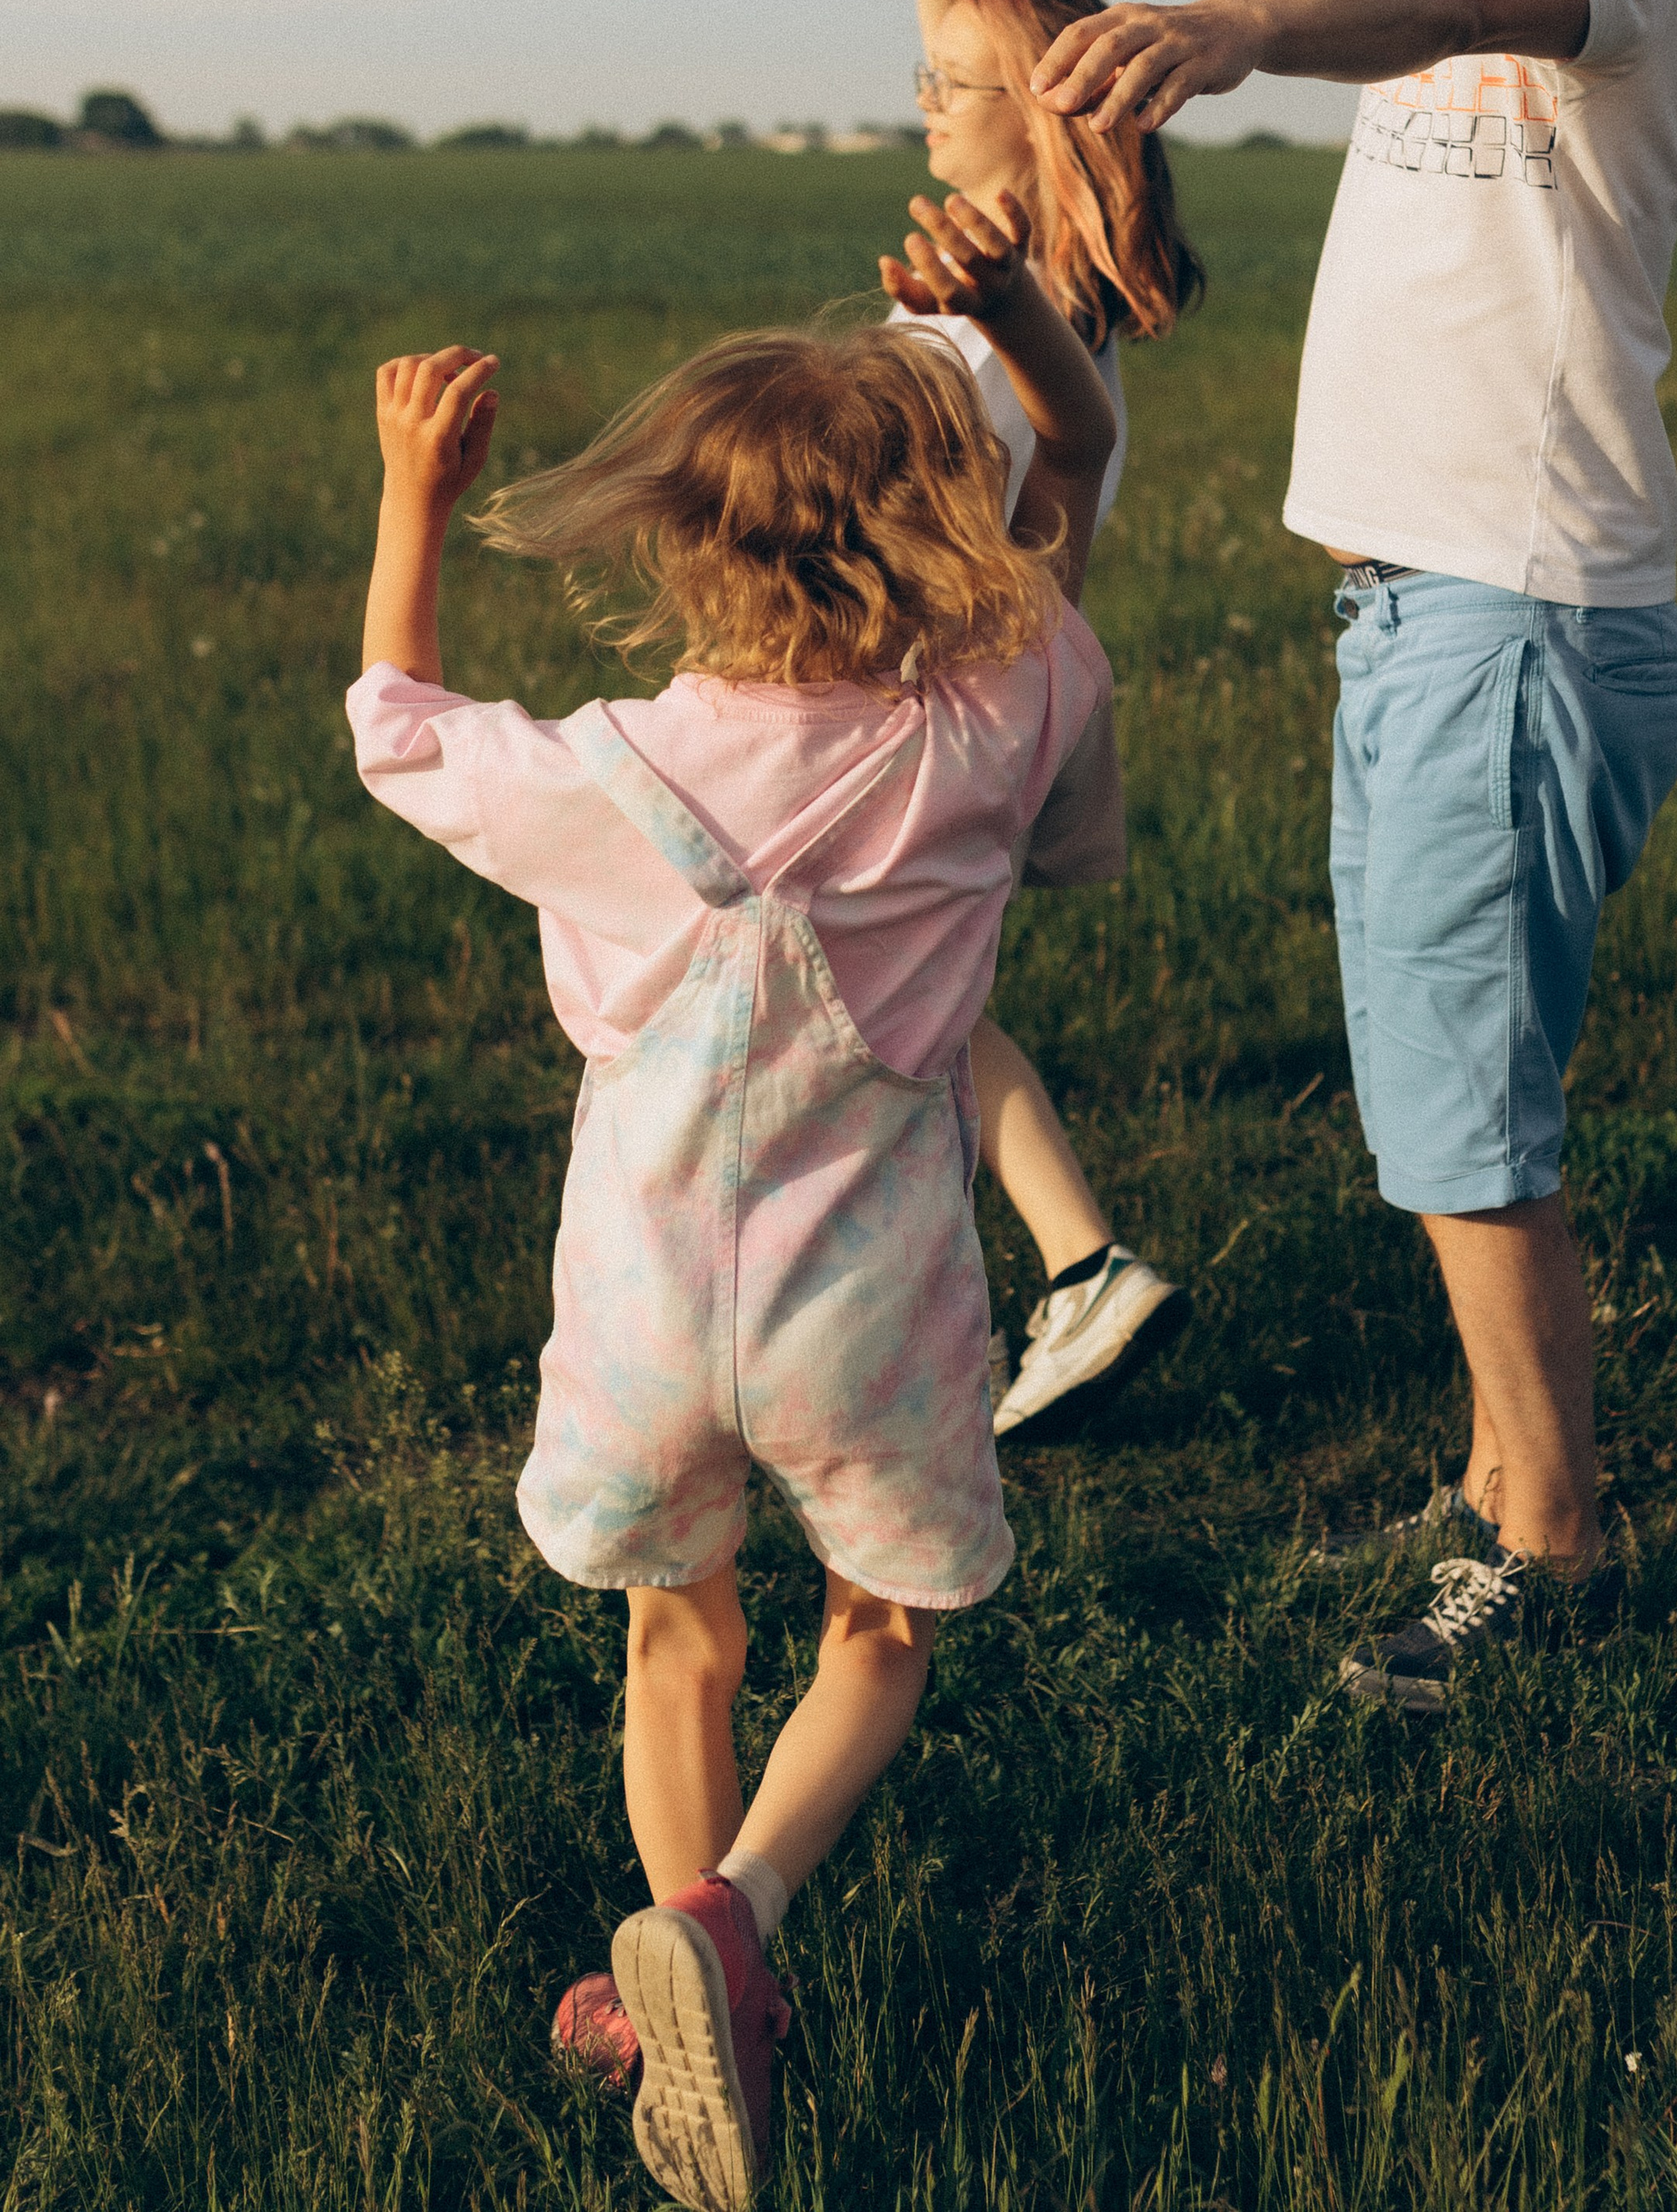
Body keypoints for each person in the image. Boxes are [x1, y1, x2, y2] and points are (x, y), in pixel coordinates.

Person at [947, 0, 1677, 1710]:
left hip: (1516, 609)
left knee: (1463, 1114)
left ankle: (1548, 1554)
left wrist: (1237, 30)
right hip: (1420, 612)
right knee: (1435, 1084)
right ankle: (1496, 1481)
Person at [345, 182, 1116, 2210]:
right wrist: (1020, 326)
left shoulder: (604, 768)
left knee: (673, 1636)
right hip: (870, 1306)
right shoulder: (1008, 709)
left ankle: (685, 1977)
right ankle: (737, 1918)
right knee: (879, 1624)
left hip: (642, 1306)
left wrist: (418, 496)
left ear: (686, 538)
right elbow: (1077, 482)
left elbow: (395, 731)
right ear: (947, 522)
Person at [902, 0, 1204, 1437]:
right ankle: (1033, 1277)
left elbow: (926, 549)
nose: (921, 99)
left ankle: (1078, 1271)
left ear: (1030, 121)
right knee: (913, 998)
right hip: (1015, 697)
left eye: (950, 89)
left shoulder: (984, 323)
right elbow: (960, 29)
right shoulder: (1044, 285)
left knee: (906, 999)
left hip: (945, 701)